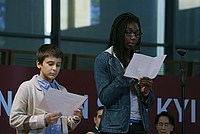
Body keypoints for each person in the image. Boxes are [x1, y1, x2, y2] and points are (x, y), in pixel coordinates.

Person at [94, 12, 155, 134]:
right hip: (115, 128)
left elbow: (151, 101)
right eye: (129, 33)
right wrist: (126, 76)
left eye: (137, 34)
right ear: (118, 33)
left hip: (140, 126)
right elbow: (105, 97)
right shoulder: (105, 59)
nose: (133, 37)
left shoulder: (139, 59)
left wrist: (146, 92)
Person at [9, 44, 82, 134]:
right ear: (39, 64)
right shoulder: (27, 87)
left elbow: (64, 126)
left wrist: (74, 119)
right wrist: (43, 120)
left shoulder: (62, 90)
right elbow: (14, 120)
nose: (54, 68)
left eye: (58, 65)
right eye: (50, 64)